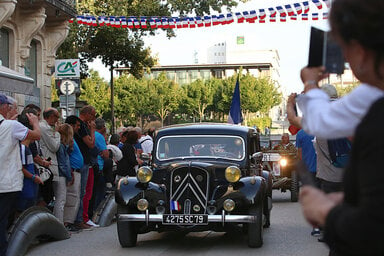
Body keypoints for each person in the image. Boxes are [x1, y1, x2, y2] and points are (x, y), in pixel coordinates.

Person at [300, 0, 384, 255]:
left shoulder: (375, 109)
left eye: (343, 48)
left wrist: (323, 209)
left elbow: (372, 230)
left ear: (358, 51)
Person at [0, 94, 40, 256]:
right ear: (4, 107)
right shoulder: (10, 126)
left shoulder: (9, 124)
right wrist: (35, 123)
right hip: (6, 183)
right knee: (3, 220)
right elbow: (36, 135)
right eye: (10, 107)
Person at [74, 105, 96, 230]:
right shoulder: (82, 126)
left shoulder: (82, 126)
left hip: (83, 161)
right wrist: (92, 131)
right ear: (87, 114)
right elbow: (91, 144)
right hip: (83, 162)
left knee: (83, 192)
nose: (93, 118)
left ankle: (80, 218)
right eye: (93, 115)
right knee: (82, 192)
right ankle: (80, 219)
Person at [64, 115, 83, 232]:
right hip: (73, 171)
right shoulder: (68, 139)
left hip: (76, 171)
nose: (79, 128)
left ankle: (70, 221)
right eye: (77, 125)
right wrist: (70, 171)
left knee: (75, 197)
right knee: (71, 197)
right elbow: (66, 156)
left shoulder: (73, 138)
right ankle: (67, 222)